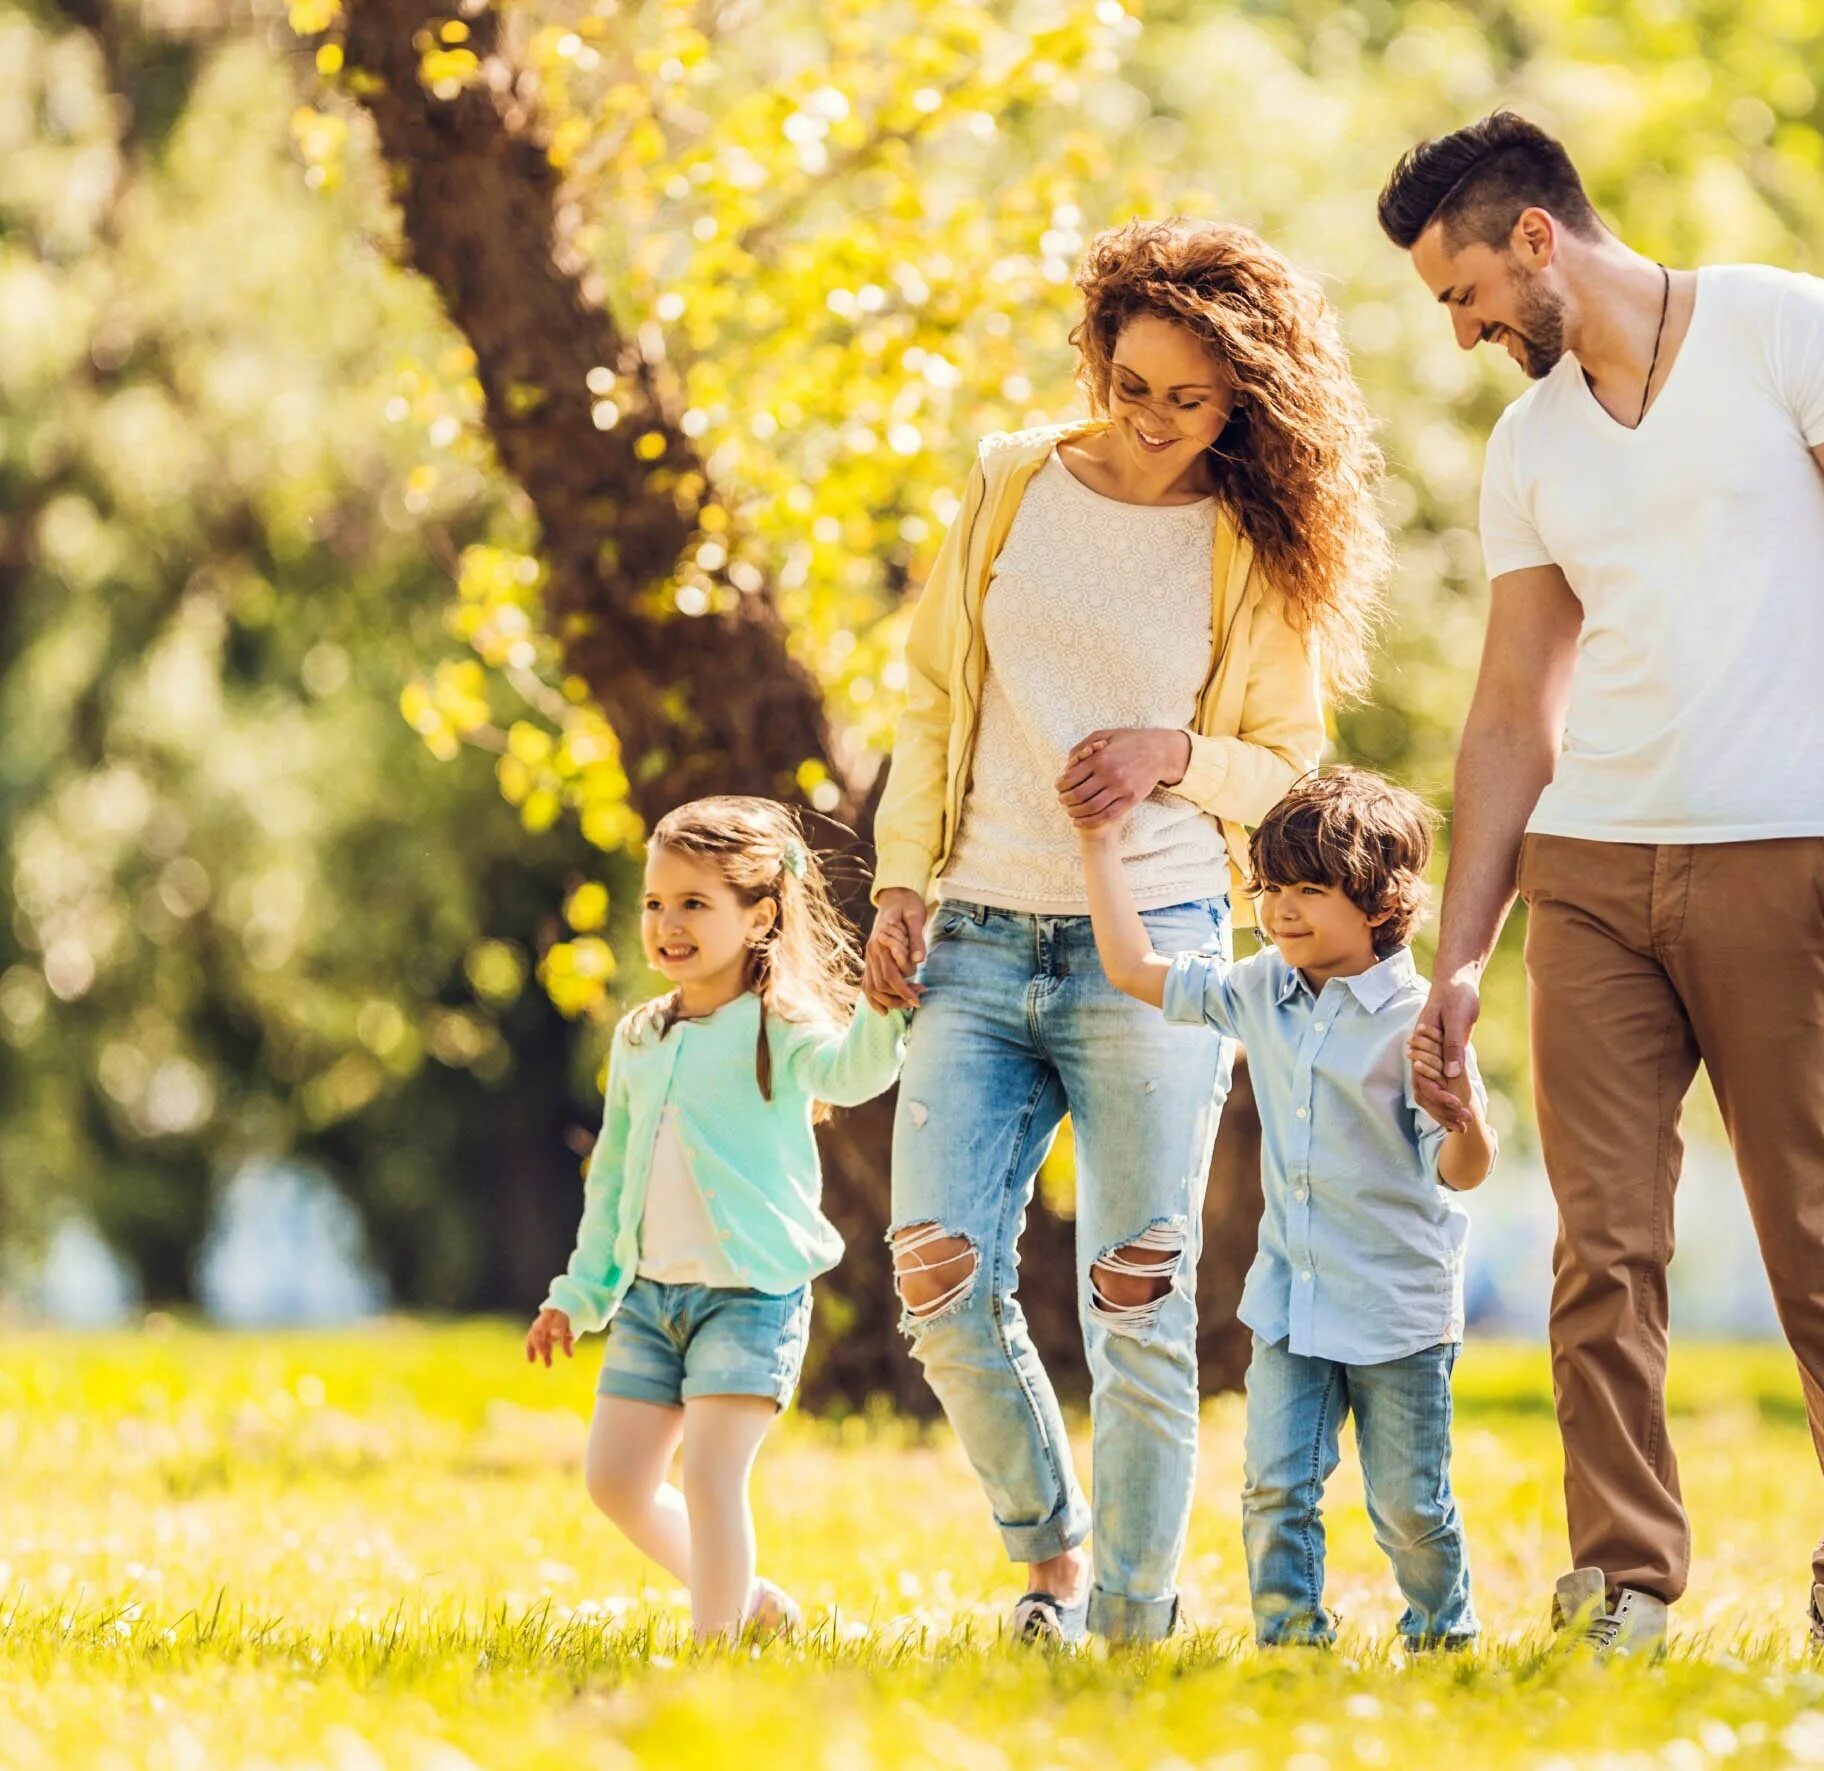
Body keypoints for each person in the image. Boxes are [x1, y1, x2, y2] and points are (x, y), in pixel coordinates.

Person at [1377, 111, 1824, 1660]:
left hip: (1781, 856)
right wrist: (1461, 954)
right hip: (1590, 873)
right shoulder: (1529, 447)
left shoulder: (1795, 334)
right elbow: (1516, 710)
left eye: (1461, 294)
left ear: (1536, 238)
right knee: (1602, 1241)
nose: (1460, 335)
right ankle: (1626, 1578)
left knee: (1814, 1223)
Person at [859, 217, 1388, 1646]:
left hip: (1149, 946)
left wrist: (1173, 751)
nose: (1153, 423)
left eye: (1191, 401)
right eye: (1133, 383)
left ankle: (1134, 1626)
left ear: (1244, 406)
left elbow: (1287, 764)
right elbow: (927, 701)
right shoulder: (1009, 482)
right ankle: (1051, 1549)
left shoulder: (1247, 540)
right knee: (936, 1271)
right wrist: (900, 880)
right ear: (1099, 353)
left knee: (1137, 1302)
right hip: (973, 930)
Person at [1074, 768, 1492, 1649]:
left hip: (1397, 1312)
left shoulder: (1420, 1019)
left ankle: (1444, 1639)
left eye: (1310, 889)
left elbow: (1461, 1170)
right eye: (1269, 887)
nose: (1281, 909)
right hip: (1292, 1305)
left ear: (1381, 902)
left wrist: (1466, 1119)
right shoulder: (1263, 986)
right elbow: (1131, 967)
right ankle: (1291, 1648)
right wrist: (1097, 843)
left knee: (1409, 1506)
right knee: (1275, 1489)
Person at [526, 796, 909, 1641]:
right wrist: (578, 1295)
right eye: (655, 902)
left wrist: (886, 1009)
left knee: (708, 1477)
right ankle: (752, 1604)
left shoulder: (781, 1028)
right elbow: (615, 1180)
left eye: (695, 903)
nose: (668, 923)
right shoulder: (639, 1037)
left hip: (752, 1296)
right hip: (652, 1300)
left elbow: (852, 1075)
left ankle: (715, 1653)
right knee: (616, 1481)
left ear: (760, 915)